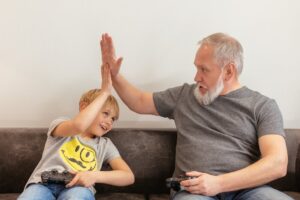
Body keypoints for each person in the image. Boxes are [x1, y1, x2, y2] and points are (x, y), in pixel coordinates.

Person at [100, 32, 293, 200]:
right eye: (196, 67)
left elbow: (277, 163)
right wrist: (115, 76)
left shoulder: (263, 106)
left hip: (248, 192)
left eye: (204, 69)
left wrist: (219, 183)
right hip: (194, 193)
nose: (196, 77)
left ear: (229, 71)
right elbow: (139, 102)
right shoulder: (185, 96)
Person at [18, 62, 134, 199]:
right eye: (105, 113)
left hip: (78, 188)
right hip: (42, 184)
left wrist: (94, 175)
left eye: (113, 118)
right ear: (84, 107)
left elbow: (128, 176)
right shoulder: (61, 125)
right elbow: (78, 125)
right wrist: (105, 93)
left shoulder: (105, 145)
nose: (109, 121)